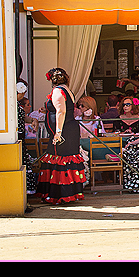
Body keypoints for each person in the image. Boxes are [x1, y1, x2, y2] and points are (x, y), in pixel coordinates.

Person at [35, 67, 86, 204]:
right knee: (63, 159)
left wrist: (58, 132)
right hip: (68, 130)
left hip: (63, 132)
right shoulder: (66, 90)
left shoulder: (58, 90)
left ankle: (59, 195)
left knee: (60, 159)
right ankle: (66, 193)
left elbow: (61, 111)